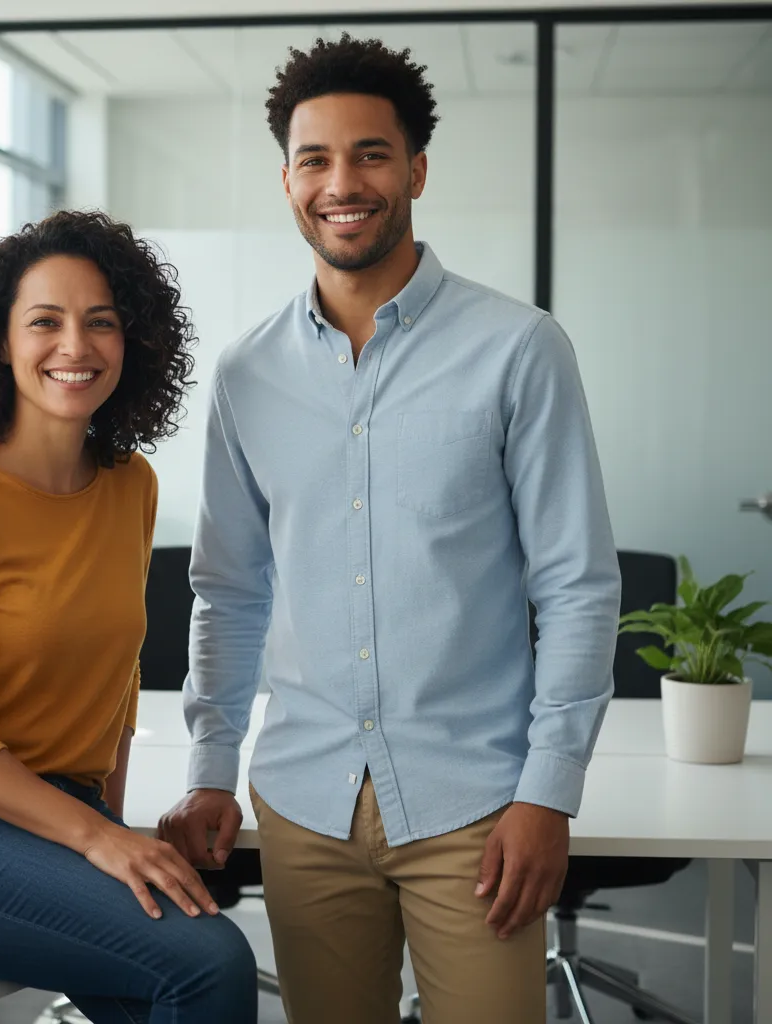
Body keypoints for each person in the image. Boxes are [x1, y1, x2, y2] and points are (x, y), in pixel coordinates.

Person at [159, 35, 621, 1024]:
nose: (343, 182)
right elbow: (230, 591)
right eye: (315, 159)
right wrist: (209, 769)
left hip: (477, 802)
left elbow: (576, 587)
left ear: (414, 169)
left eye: (370, 154)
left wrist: (549, 792)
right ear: (286, 178)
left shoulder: (518, 350)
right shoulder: (245, 375)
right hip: (305, 801)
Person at [0, 210, 258, 1024]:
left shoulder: (128, 485)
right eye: (46, 321)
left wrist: (110, 822)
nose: (76, 345)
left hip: (52, 818)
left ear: (129, 343)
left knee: (178, 972)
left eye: (100, 322)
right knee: (209, 962)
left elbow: (114, 684)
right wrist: (99, 839)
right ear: (1, 342)